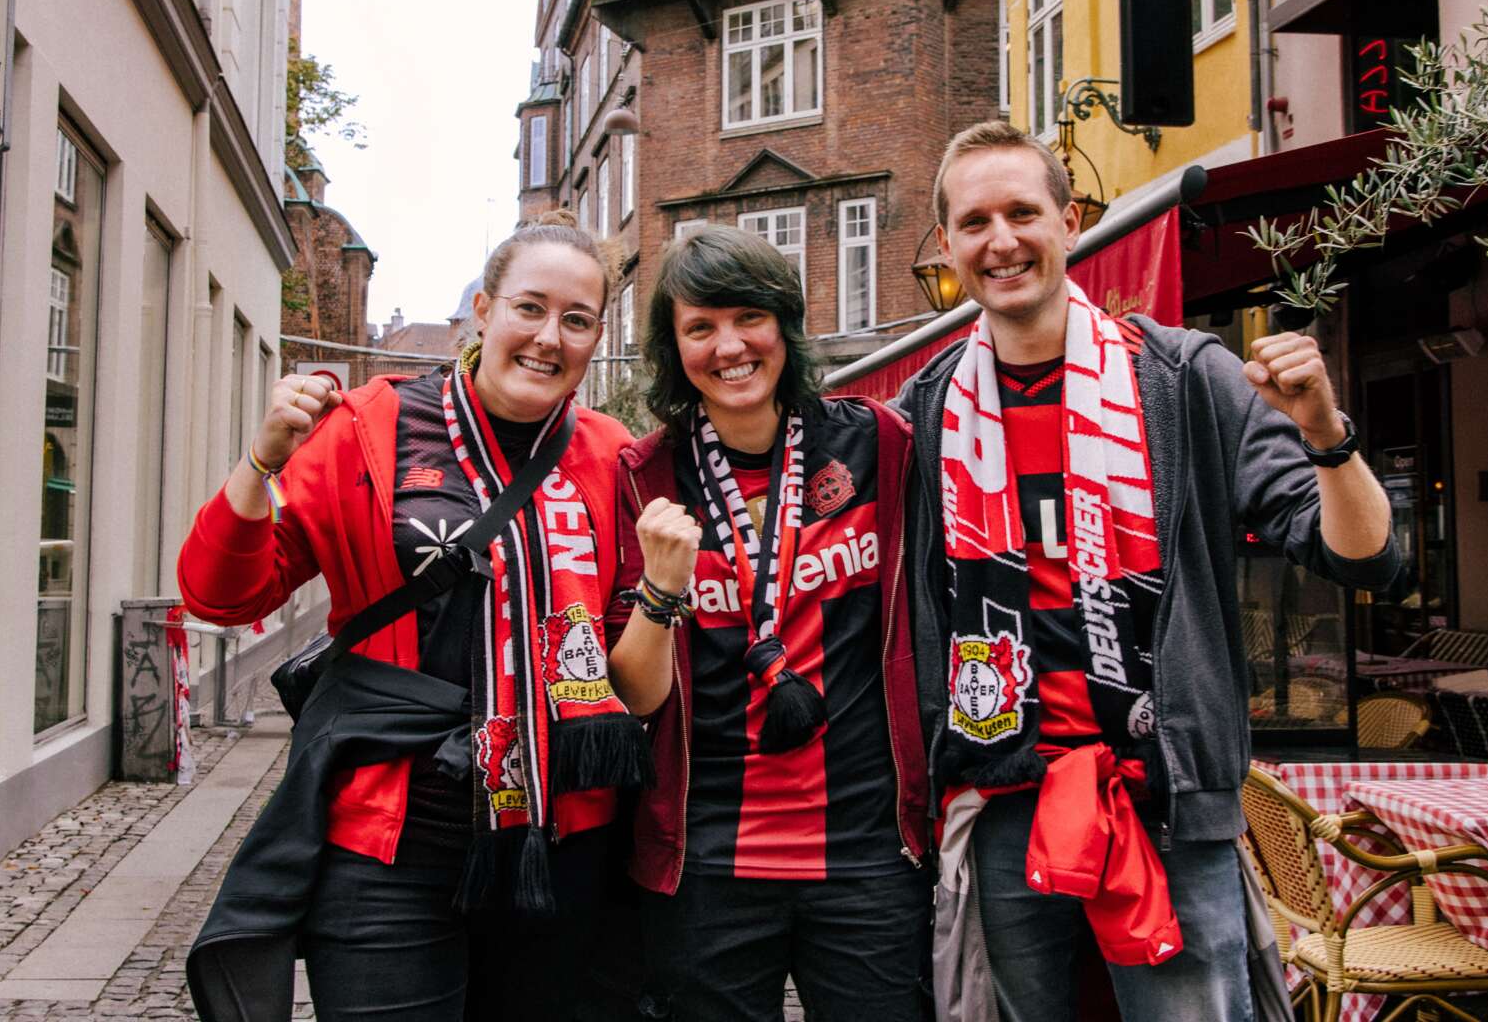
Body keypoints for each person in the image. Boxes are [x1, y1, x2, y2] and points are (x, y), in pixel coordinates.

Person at [892, 121, 1402, 1022]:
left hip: (1166, 797)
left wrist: (1328, 433)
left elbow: (1362, 558)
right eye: (974, 223)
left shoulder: (1182, 377)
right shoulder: (926, 412)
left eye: (1022, 212)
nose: (1001, 241)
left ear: (1071, 220)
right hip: (1007, 795)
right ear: (948, 248)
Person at [178, 213, 664, 1022]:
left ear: (596, 336)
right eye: (529, 308)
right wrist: (261, 461)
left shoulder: (612, 455)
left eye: (576, 320)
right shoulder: (371, 429)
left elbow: (629, 669)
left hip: (557, 843)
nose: (549, 337)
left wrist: (667, 595)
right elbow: (224, 596)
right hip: (389, 845)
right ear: (483, 309)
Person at [605, 225, 932, 1021]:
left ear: (784, 322)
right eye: (699, 327)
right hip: (707, 857)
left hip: (867, 848)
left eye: (746, 316)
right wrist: (661, 588)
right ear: (672, 348)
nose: (729, 346)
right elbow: (637, 697)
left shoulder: (878, 444)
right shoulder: (643, 476)